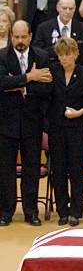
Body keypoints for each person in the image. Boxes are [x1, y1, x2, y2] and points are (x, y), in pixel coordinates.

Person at [0, 20, 52, 227]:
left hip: (33, 122)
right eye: (16, 36)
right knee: (5, 169)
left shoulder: (42, 56)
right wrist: (30, 77)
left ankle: (31, 211)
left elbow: (47, 89)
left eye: (23, 36)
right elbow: (1, 82)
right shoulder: (2, 56)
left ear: (30, 35)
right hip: (6, 123)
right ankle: (5, 211)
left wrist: (21, 85)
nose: (20, 41)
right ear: (11, 36)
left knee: (31, 168)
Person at [48, 38, 83, 226]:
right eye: (60, 55)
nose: (64, 58)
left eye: (67, 54)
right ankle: (62, 211)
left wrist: (80, 112)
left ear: (75, 54)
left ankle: (76, 211)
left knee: (76, 170)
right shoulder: (53, 71)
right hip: (56, 127)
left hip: (77, 128)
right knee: (58, 170)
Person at [33, 0, 83, 67]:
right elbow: (38, 53)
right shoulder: (44, 28)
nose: (67, 12)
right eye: (64, 8)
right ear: (57, 7)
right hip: (51, 71)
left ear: (75, 9)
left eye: (71, 9)